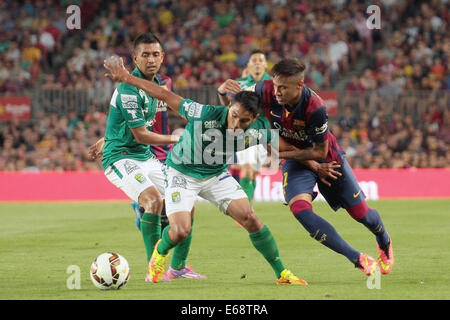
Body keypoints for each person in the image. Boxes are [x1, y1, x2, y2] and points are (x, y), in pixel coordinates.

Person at [104, 56, 308, 285]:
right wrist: (127, 78)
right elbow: (163, 95)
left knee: (250, 218)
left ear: (254, 119)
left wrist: (317, 164)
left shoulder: (259, 129)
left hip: (215, 175)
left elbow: (287, 149)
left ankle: (282, 273)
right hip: (181, 173)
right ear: (228, 106)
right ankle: (159, 254)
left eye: (243, 121)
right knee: (180, 231)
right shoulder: (204, 113)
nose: (235, 125)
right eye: (233, 116)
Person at [218, 58, 394, 276]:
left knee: (362, 215)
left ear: (299, 86)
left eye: (283, 88)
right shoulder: (264, 90)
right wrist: (222, 91)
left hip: (327, 160)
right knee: (299, 209)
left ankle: (384, 240)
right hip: (296, 160)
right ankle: (357, 258)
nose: (277, 92)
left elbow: (320, 152)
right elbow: (234, 107)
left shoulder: (316, 107)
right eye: (275, 86)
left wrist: (281, 153)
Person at [89, 33, 205, 282]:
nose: (151, 59)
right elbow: (141, 135)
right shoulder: (128, 89)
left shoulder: (158, 86)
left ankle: (179, 267)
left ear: (162, 57)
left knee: (188, 201)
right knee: (153, 200)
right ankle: (156, 269)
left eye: (155, 54)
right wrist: (178, 139)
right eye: (145, 55)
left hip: (145, 156)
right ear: (134, 58)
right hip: (120, 157)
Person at [218, 49, 272, 207]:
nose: (257, 63)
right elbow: (228, 106)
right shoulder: (239, 84)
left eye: (260, 60)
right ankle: (245, 211)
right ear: (248, 65)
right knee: (247, 169)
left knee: (253, 173)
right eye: (253, 60)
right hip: (246, 130)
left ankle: (248, 207)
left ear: (265, 65)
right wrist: (221, 94)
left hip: (265, 131)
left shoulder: (272, 84)